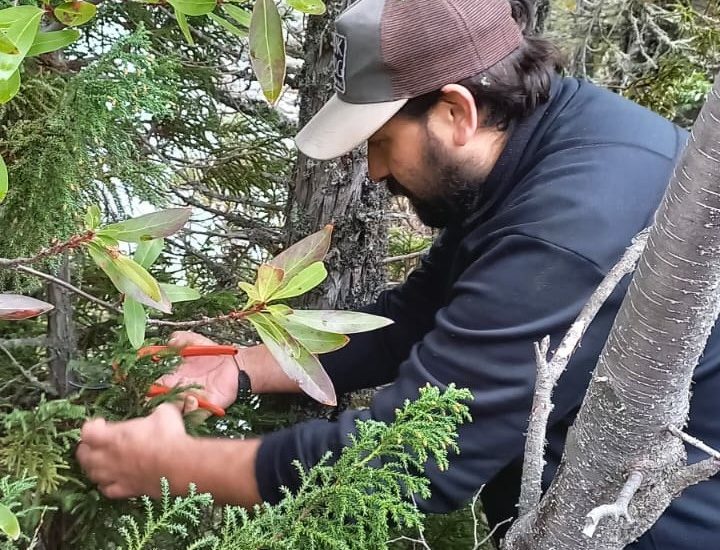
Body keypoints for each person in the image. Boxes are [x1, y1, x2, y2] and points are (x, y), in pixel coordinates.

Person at [76, 0, 720, 547]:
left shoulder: (567, 230)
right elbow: (416, 320)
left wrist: (176, 466)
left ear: (455, 112)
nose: (377, 173)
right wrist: (244, 365)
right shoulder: (546, 138)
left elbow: (412, 462)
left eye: (382, 144)